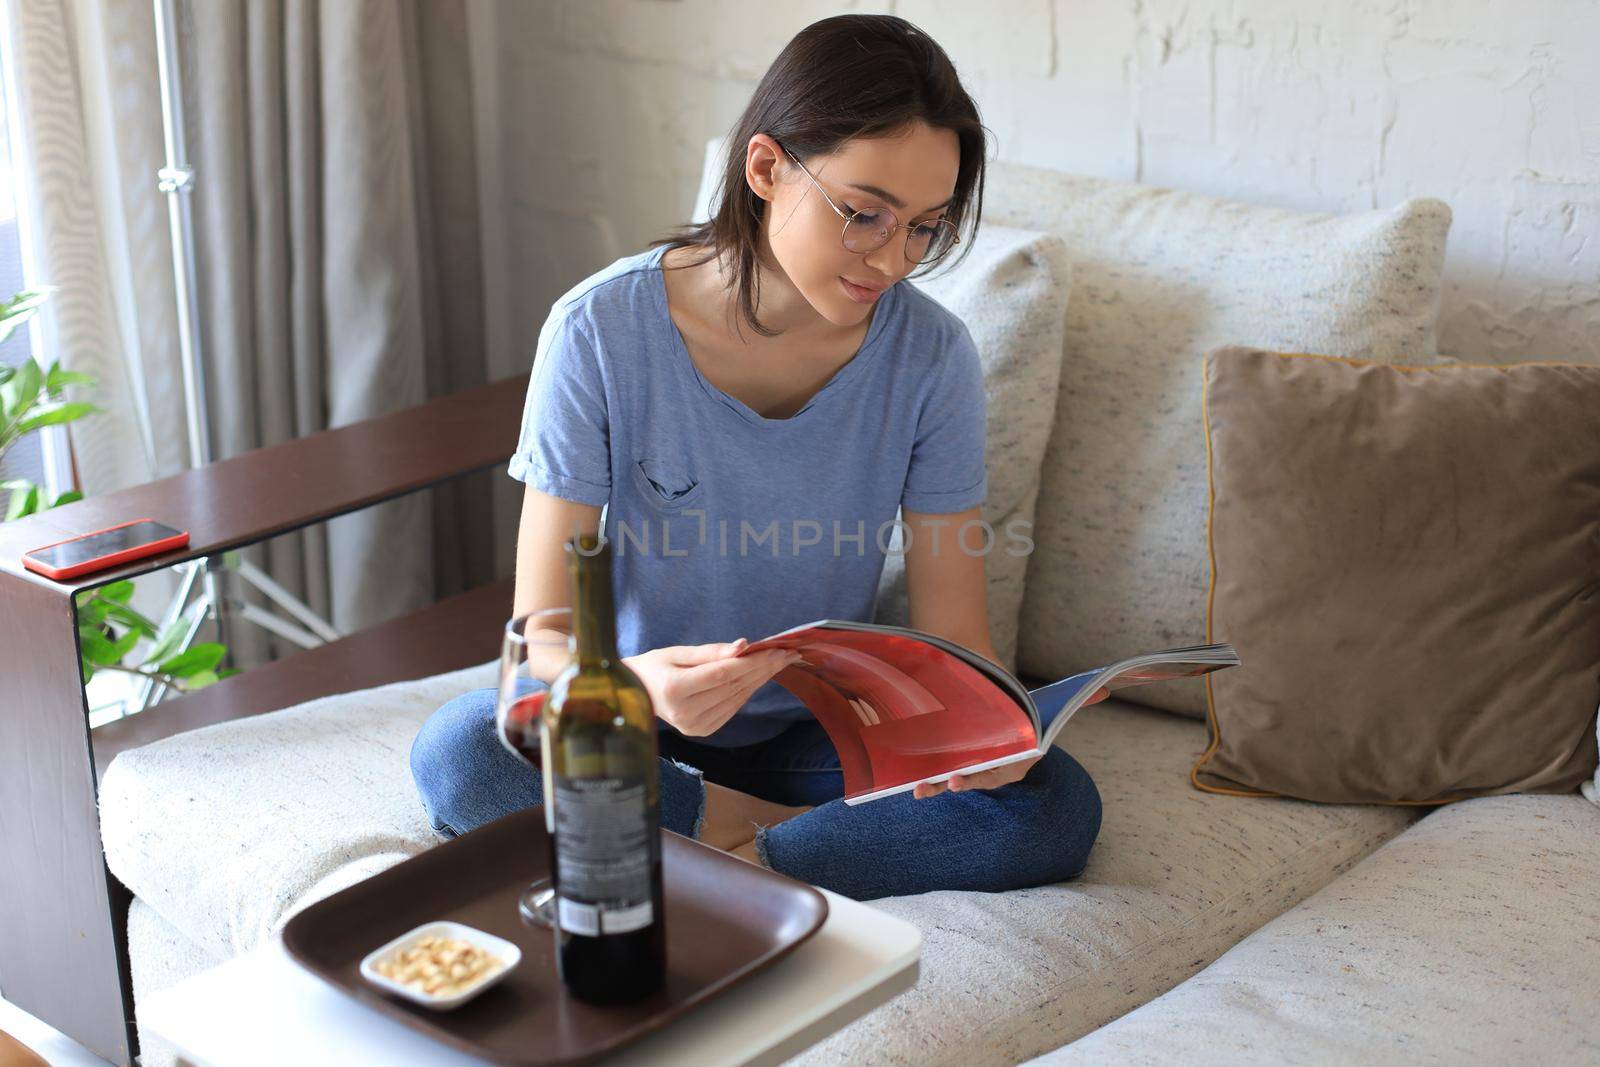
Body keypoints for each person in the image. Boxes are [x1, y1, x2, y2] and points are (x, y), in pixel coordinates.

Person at [410, 13, 1100, 902]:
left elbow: (957, 635)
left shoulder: (932, 357)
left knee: (1051, 808)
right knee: (466, 754)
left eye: (925, 228)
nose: (893, 259)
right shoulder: (601, 330)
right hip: (635, 716)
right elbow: (538, 636)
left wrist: (995, 735)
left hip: (822, 735)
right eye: (863, 214)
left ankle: (721, 850)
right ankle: (763, 844)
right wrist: (633, 683)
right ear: (768, 168)